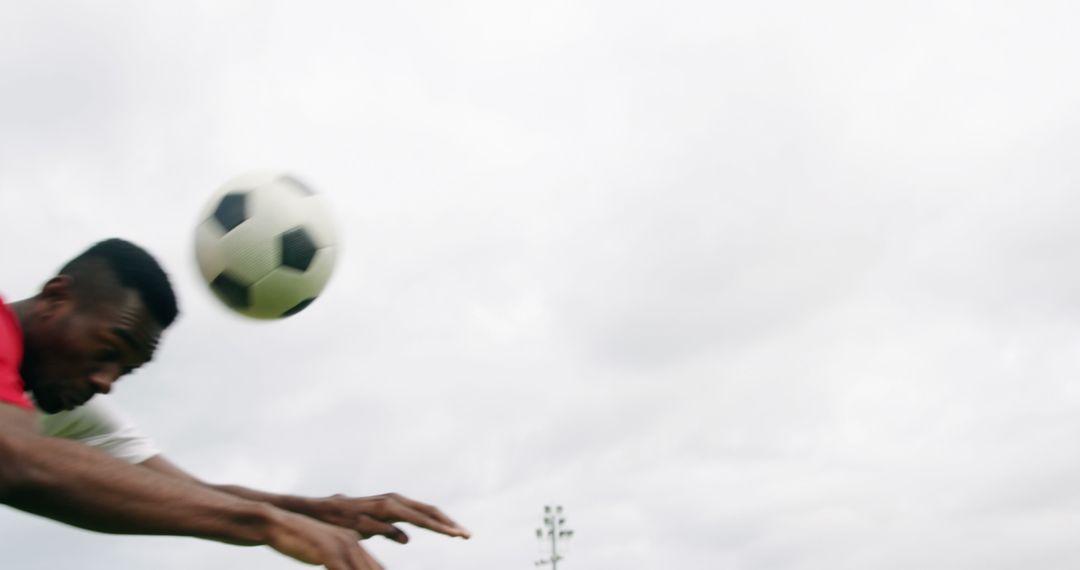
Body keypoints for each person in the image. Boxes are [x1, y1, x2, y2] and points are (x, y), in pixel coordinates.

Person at [0, 238, 468, 569]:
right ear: (56, 298)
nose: (106, 383)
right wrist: (267, 524)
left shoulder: (62, 402)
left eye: (125, 370)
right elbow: (15, 459)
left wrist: (311, 511)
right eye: (108, 352)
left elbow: (188, 494)